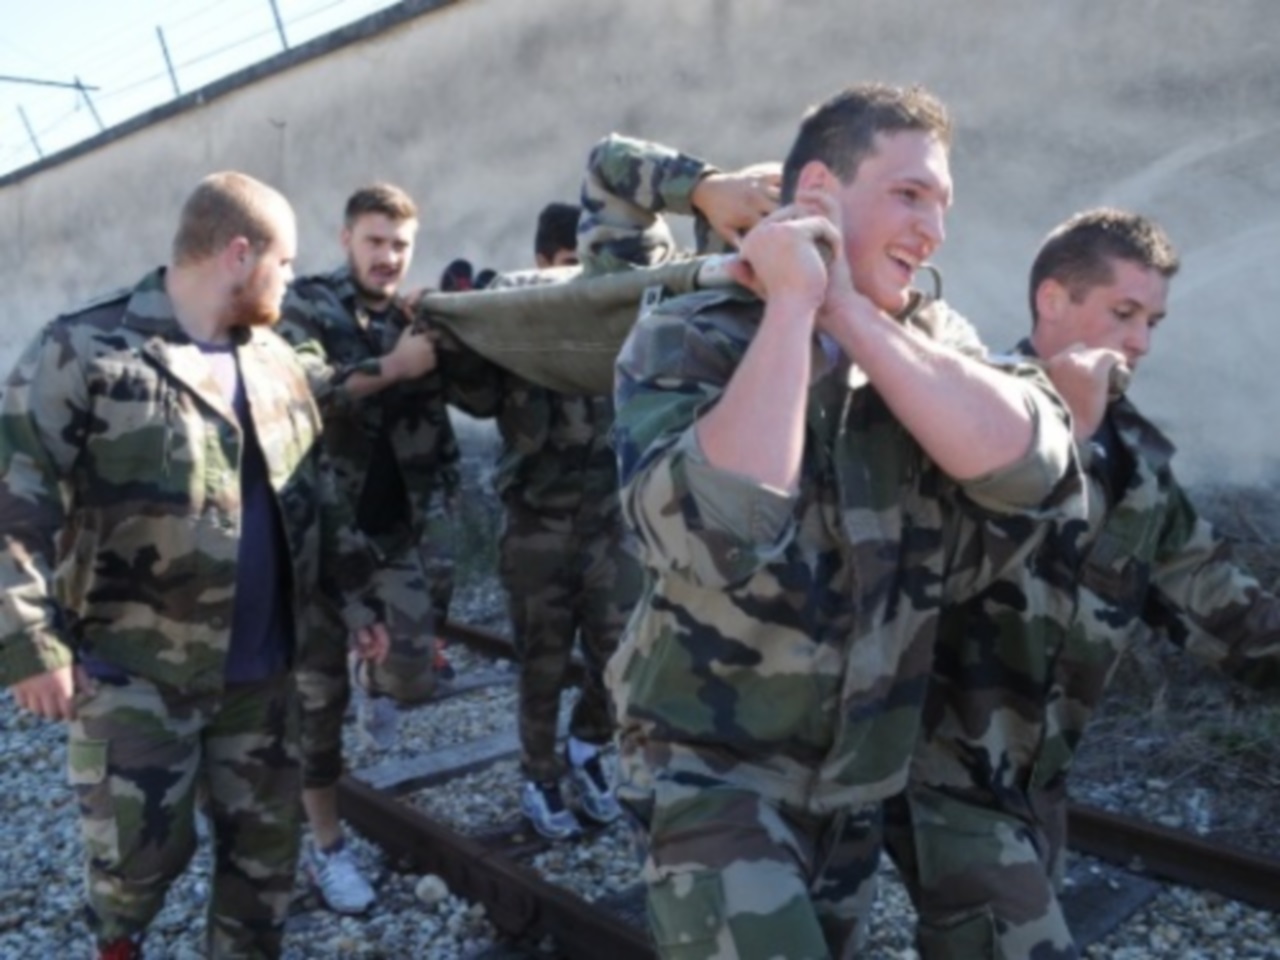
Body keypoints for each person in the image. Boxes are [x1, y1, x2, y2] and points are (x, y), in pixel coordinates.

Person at [607, 82, 1081, 958]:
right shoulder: (690, 336)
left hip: (861, 778)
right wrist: (792, 307)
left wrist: (848, 314)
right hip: (712, 771)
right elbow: (720, 529)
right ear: (819, 190)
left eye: (942, 205)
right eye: (910, 194)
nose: (933, 230)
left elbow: (1032, 468)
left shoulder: (933, 340)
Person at [0, 171, 390, 960]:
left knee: (263, 873)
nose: (290, 281)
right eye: (283, 263)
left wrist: (359, 599)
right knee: (137, 866)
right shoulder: (87, 350)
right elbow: (12, 505)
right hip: (135, 678)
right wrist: (30, 646)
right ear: (239, 255)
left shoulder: (276, 362)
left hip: (264, 680)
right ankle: (118, 942)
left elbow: (315, 492)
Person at [884, 208, 1280, 959]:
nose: (1140, 342)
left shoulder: (1137, 470)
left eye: (1153, 321)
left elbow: (1229, 618)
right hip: (937, 777)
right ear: (1052, 300)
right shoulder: (963, 414)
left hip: (1033, 786)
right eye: (1123, 313)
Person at [276, 183, 459, 913]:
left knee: (414, 676)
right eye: (375, 241)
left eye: (400, 244)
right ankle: (328, 852)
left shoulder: (416, 317)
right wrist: (398, 367)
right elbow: (305, 388)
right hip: (321, 544)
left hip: (393, 533)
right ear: (347, 236)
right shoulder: (306, 305)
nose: (388, 257)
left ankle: (375, 681)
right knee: (315, 714)